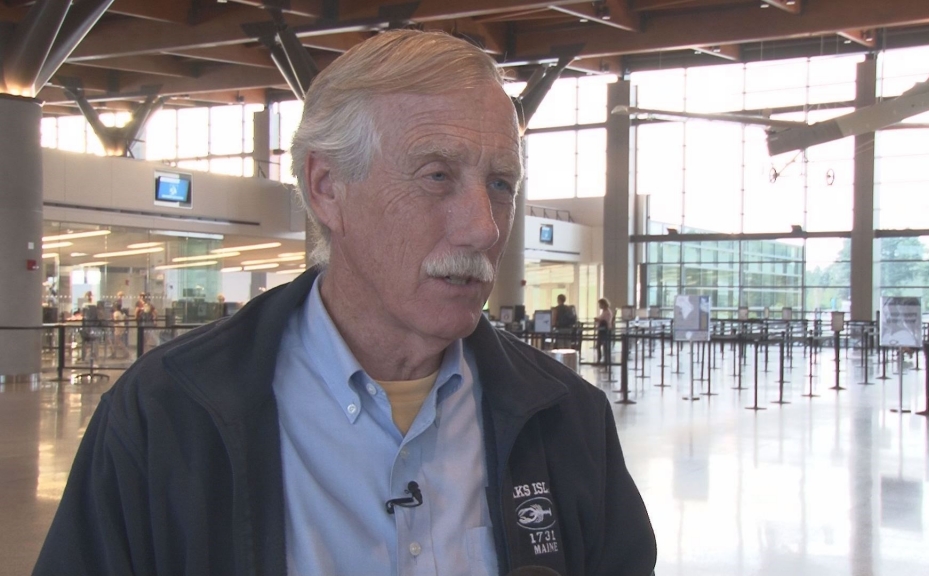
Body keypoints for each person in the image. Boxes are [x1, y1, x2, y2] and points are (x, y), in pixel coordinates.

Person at [34, 30, 656, 576]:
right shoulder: (166, 419)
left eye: (500, 184)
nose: (484, 228)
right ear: (327, 188)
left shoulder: (567, 421)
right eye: (437, 175)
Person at [596, 298, 615, 366]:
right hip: (602, 330)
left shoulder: (607, 312)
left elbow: (604, 320)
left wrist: (598, 319)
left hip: (605, 331)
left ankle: (605, 360)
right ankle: (601, 359)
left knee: (605, 346)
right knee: (600, 346)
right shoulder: (604, 312)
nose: (599, 306)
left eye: (600, 304)